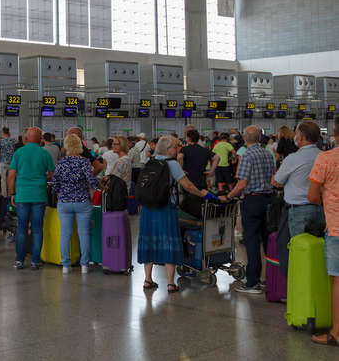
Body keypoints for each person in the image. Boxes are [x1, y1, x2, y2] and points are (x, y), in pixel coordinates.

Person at [138, 136, 210, 293]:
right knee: (169, 240)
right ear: (166, 148)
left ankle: (147, 279)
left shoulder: (150, 161)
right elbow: (188, 185)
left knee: (148, 240)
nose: (177, 150)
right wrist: (202, 194)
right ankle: (170, 283)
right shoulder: (172, 164)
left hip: (147, 209)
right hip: (165, 208)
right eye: (174, 147)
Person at [219, 126, 275, 294]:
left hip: (253, 200)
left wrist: (228, 197)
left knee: (251, 241)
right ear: (260, 138)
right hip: (269, 199)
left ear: (244, 138)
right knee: (268, 241)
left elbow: (242, 184)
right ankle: (271, 279)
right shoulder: (268, 153)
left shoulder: (248, 155)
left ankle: (253, 282)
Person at [308, 116, 339, 347]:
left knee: (338, 282)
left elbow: (312, 196)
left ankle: (336, 333)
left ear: (335, 134)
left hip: (336, 229)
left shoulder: (326, 158)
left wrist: (325, 202)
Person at [8, 127, 55, 270]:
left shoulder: (19, 152)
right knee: (37, 228)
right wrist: (42, 177)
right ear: (40, 137)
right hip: (39, 195)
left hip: (22, 195)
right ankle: (35, 261)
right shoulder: (44, 153)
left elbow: (11, 176)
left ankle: (19, 261)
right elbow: (52, 175)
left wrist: (12, 194)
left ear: (27, 137)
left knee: (22, 228)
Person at [53, 134, 101, 273]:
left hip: (64, 202)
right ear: (80, 145)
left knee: (65, 234)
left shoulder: (61, 162)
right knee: (84, 234)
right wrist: (101, 184)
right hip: (83, 202)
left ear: (66, 146)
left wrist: (58, 192)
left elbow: (55, 183)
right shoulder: (85, 162)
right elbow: (92, 182)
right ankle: (85, 265)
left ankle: (66, 266)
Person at [272, 122, 325, 237]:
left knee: (300, 247)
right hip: (320, 208)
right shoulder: (324, 156)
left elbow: (278, 181)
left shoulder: (293, 158)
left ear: (300, 137)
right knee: (318, 246)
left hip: (299, 210)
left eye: (295, 134)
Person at [0, 127, 15, 197]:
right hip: (11, 163)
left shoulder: (0, 141)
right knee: (11, 180)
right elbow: (13, 152)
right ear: (8, 132)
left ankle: (4, 196)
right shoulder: (12, 141)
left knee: (3, 180)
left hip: (2, 163)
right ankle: (11, 195)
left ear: (2, 132)